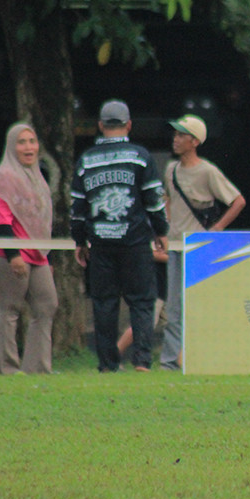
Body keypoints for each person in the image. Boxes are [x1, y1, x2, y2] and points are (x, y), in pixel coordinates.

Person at [71, 100, 169, 373]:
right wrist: (160, 231)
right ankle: (141, 361)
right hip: (135, 242)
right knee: (141, 302)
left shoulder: (86, 160)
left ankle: (107, 363)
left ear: (100, 126)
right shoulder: (139, 156)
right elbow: (153, 199)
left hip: (101, 243)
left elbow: (77, 208)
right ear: (128, 125)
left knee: (104, 303)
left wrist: (79, 241)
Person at [160, 114, 246, 370]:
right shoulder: (170, 169)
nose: (175, 140)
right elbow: (167, 198)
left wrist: (217, 229)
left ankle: (206, 357)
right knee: (174, 308)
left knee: (202, 306)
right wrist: (166, 228)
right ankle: (170, 362)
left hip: (199, 248)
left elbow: (237, 201)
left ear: (195, 141)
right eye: (175, 135)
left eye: (181, 135)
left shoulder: (207, 171)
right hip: (176, 247)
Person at [0, 122, 58, 375]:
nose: (28, 147)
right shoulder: (3, 178)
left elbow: (42, 222)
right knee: (9, 308)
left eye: (32, 141)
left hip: (36, 253)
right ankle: (5, 369)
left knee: (47, 305)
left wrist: (47, 257)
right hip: (5, 253)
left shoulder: (38, 178)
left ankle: (38, 368)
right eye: (21, 142)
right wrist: (13, 255)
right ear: (12, 147)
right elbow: (1, 220)